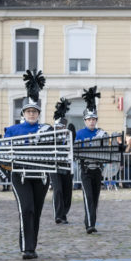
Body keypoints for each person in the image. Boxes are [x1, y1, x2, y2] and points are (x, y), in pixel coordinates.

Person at [5, 70, 52, 260]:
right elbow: (5, 152)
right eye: (28, 111)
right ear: (23, 113)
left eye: (34, 111)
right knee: (26, 209)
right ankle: (26, 248)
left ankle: (32, 245)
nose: (32, 114)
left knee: (37, 211)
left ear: (38, 113)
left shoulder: (46, 129)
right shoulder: (13, 130)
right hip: (21, 175)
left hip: (41, 175)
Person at [75, 87, 105, 233]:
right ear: (85, 121)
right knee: (88, 197)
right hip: (86, 169)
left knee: (96, 197)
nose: (92, 122)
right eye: (89, 119)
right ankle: (90, 225)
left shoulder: (102, 133)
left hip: (97, 169)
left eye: (94, 119)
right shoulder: (80, 134)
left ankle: (90, 221)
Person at [49, 98, 74, 225]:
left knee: (67, 192)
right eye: (58, 127)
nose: (60, 129)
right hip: (54, 166)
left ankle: (64, 213)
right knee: (58, 190)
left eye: (62, 127)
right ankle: (58, 215)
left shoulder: (68, 137)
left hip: (67, 166)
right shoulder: (51, 137)